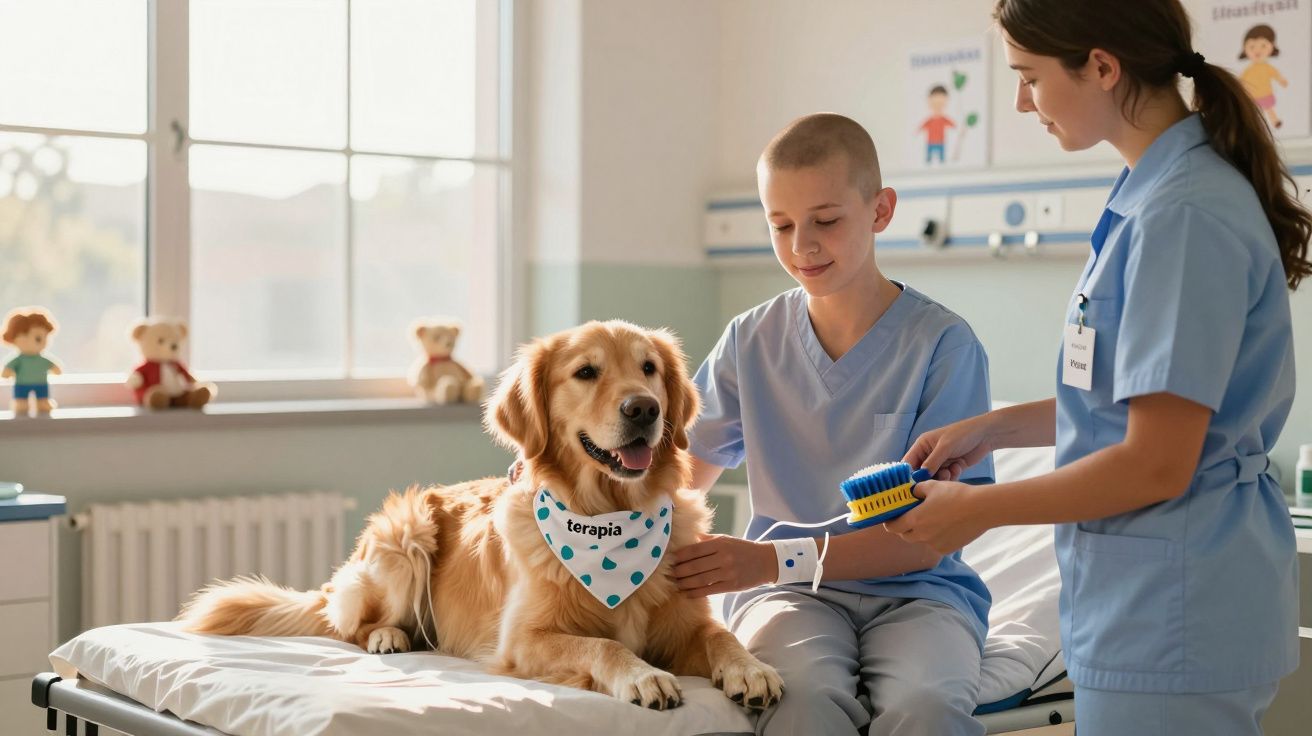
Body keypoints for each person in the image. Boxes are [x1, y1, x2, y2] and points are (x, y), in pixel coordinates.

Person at [887, 2, 1310, 734]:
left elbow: (1157, 463)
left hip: (1176, 610)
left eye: (1029, 78)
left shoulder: (1181, 215)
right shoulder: (1150, 195)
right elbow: (1127, 401)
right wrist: (991, 430)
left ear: (1103, 67)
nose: (1022, 101)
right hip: (1148, 605)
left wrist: (976, 513)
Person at [670, 112, 994, 736]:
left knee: (924, 706)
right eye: (781, 225)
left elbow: (937, 532)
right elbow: (679, 475)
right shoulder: (751, 340)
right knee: (794, 699)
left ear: (880, 210)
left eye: (825, 220)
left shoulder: (943, 346)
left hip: (920, 591)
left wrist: (767, 559)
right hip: (792, 599)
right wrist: (574, 484)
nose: (802, 246)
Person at [2, 307, 62, 415]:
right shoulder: (19, 360)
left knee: (42, 398)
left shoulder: (42, 360)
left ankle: (43, 403)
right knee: (21, 401)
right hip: (22, 385)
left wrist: (56, 370)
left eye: (39, 338)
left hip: (41, 384)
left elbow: (54, 367)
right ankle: (21, 404)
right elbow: (8, 369)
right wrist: (6, 372)